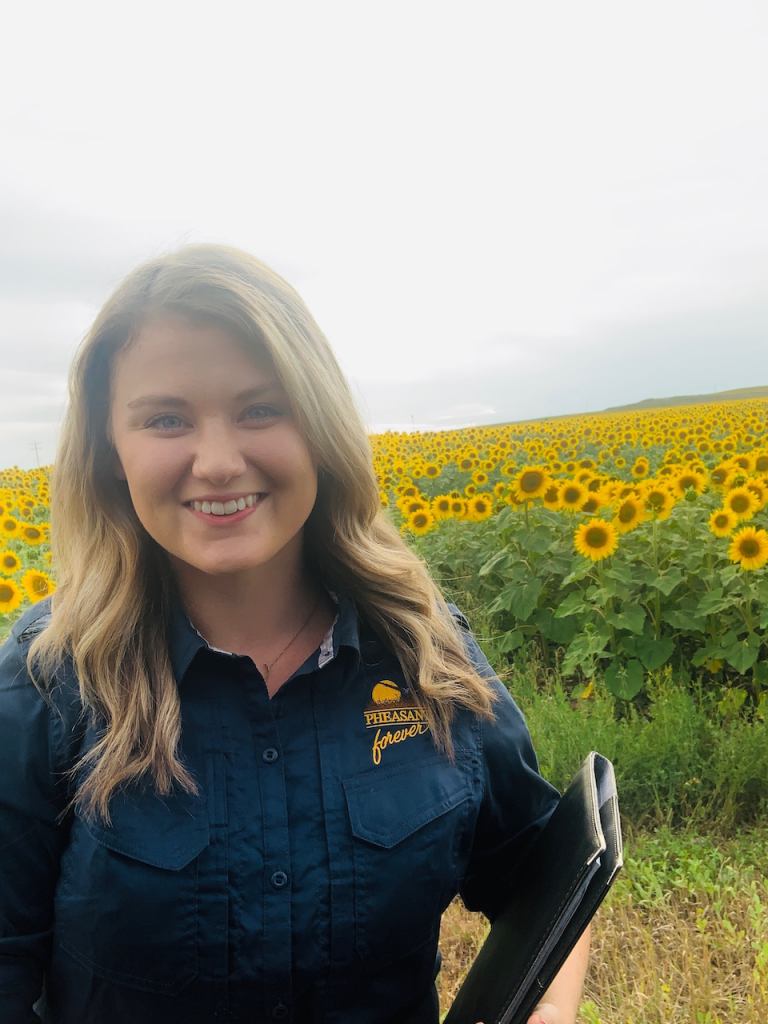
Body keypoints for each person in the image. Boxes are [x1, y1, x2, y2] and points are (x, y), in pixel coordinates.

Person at [0, 244, 590, 1024]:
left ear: (318, 424)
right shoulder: (48, 685)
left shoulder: (424, 649)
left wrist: (549, 1007)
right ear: (111, 451)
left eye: (260, 409)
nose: (217, 461)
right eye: (167, 419)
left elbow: (542, 871)